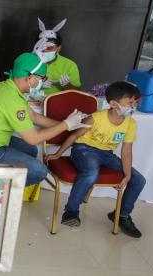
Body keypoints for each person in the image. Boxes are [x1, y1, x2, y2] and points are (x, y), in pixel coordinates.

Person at [0, 52, 89, 186]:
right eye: (42, 79)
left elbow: (34, 116)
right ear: (31, 78)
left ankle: (9, 179)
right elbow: (34, 138)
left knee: (30, 150)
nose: (42, 82)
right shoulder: (13, 100)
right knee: (40, 171)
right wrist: (65, 125)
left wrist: (67, 125)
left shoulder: (6, 86)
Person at [45, 82, 146, 238]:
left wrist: (127, 174)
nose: (133, 107)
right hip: (84, 149)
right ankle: (71, 212)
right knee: (91, 173)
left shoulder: (130, 123)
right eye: (130, 103)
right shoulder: (96, 118)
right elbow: (74, 136)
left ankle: (121, 215)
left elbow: (126, 151)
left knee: (138, 180)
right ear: (114, 104)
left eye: (134, 103)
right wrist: (58, 154)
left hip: (106, 154)